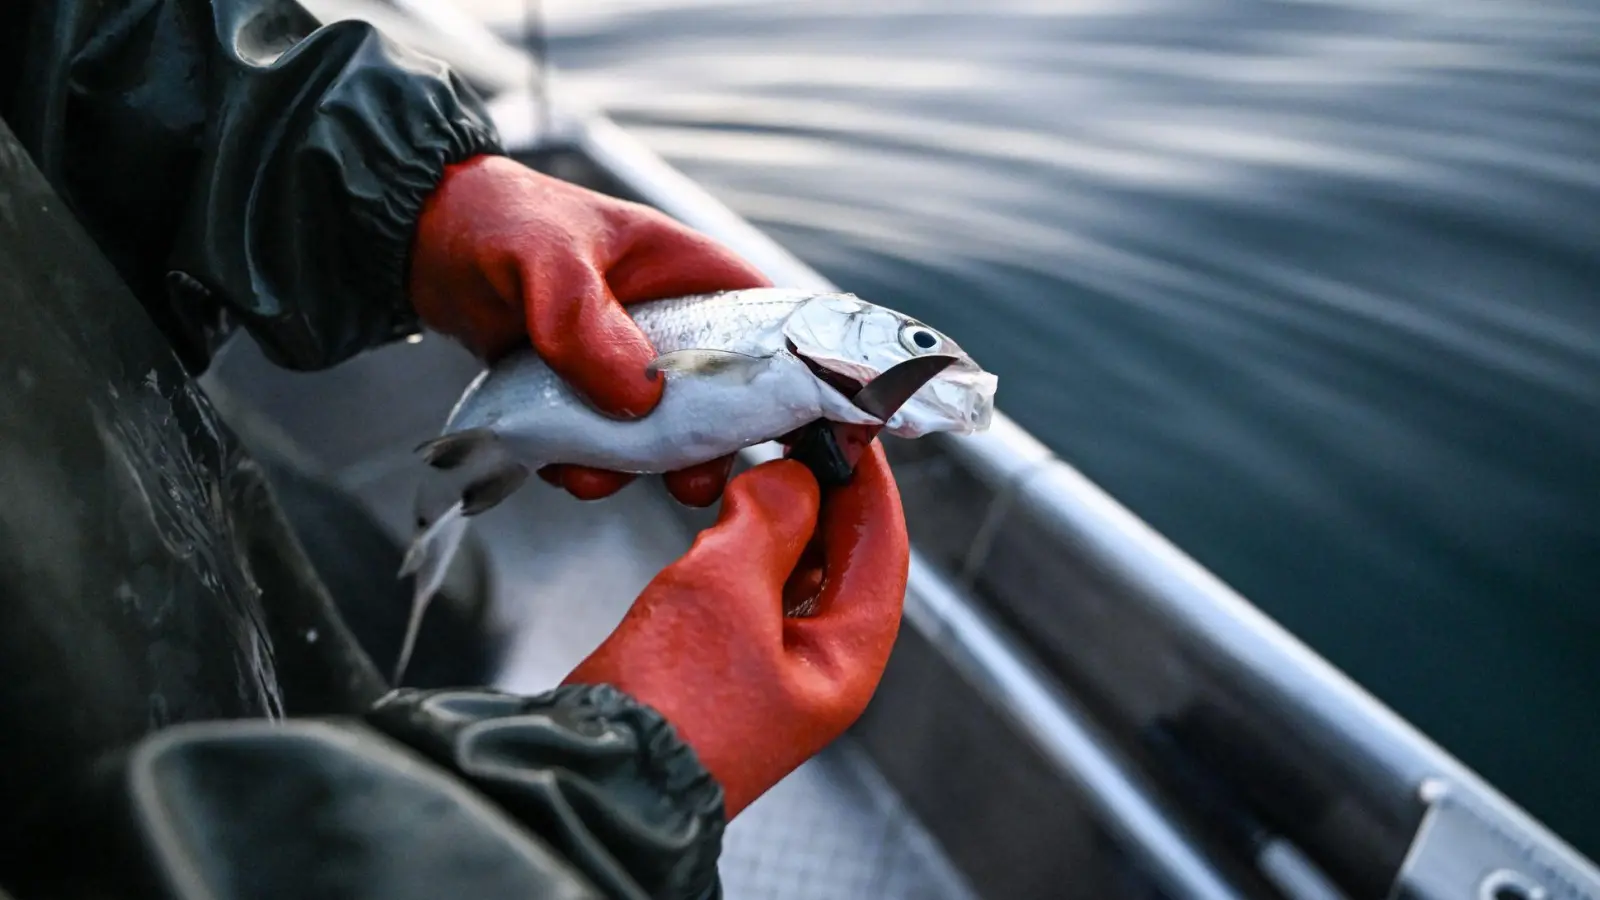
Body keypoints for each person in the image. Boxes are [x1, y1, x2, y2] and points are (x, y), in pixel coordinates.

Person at [0, 1, 910, 898]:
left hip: (121, 451)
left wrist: (390, 183)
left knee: (381, 617)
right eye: (899, 342)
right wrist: (604, 797)